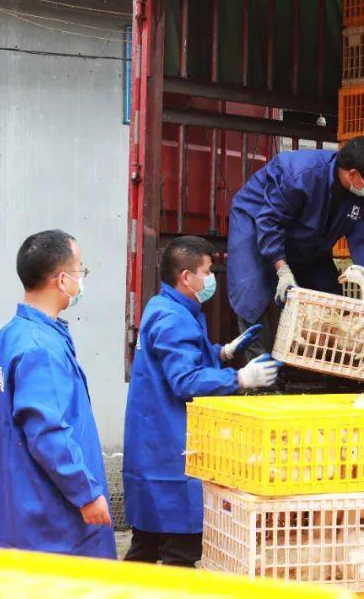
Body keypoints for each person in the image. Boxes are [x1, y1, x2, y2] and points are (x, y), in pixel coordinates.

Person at [123, 236, 280, 567]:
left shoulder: (163, 307)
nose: (211, 279)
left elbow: (185, 356)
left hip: (153, 450)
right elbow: (185, 379)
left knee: (145, 547)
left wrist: (223, 353)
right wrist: (239, 378)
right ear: (186, 277)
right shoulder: (173, 319)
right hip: (172, 452)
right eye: (207, 272)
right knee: (179, 553)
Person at [0, 229, 115, 558]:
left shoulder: (11, 334)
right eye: (80, 269)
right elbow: (48, 432)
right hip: (51, 513)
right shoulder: (40, 346)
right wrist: (86, 493)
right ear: (62, 280)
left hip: (20, 501)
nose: (82, 278)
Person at [226, 136, 364, 359]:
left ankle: (319, 366)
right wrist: (283, 271)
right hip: (257, 222)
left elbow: (363, 231)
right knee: (251, 289)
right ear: (353, 174)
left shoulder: (360, 194)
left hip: (307, 237)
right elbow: (269, 220)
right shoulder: (299, 174)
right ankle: (259, 367)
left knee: (328, 293)